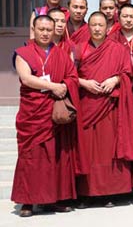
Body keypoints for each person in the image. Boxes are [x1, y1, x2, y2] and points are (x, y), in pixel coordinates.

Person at [12, 15, 80, 217]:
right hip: (32, 113)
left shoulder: (60, 54)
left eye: (49, 30)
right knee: (31, 157)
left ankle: (53, 200)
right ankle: (27, 201)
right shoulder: (23, 53)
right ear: (34, 29)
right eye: (41, 29)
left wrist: (66, 86)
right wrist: (54, 86)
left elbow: (72, 77)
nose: (45, 33)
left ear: (54, 31)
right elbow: (26, 78)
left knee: (55, 157)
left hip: (54, 112)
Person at [75, 12, 133, 208]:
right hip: (87, 105)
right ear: (88, 27)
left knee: (108, 150)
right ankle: (86, 193)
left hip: (109, 107)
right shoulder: (79, 49)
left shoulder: (118, 49)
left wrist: (115, 79)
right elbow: (69, 75)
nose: (97, 28)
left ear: (107, 27)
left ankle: (109, 193)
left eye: (101, 25)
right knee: (87, 151)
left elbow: (128, 73)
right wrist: (84, 83)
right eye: (93, 24)